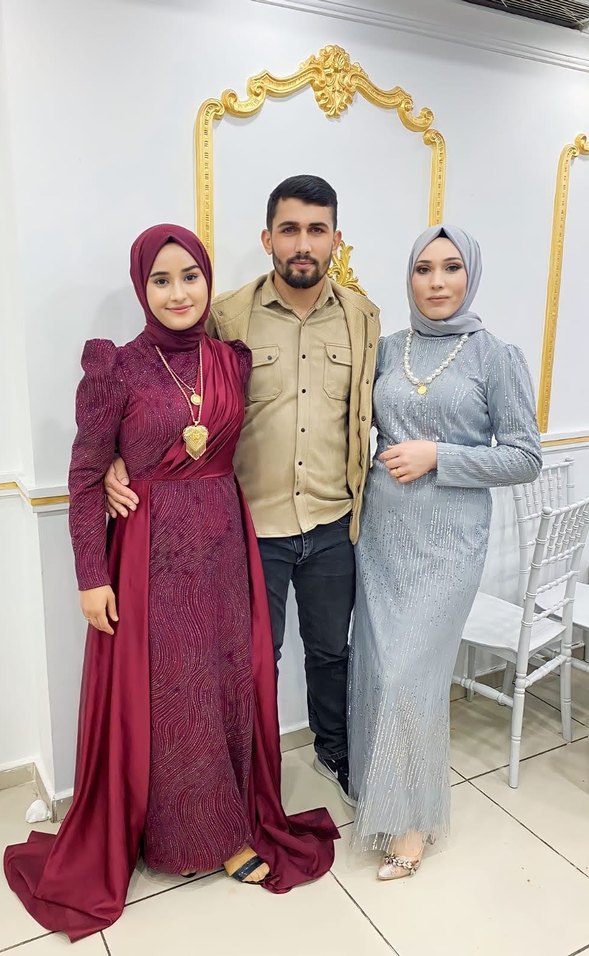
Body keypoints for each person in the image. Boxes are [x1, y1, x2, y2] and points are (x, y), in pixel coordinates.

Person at [3, 224, 338, 942]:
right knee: (168, 694)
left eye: (190, 276)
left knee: (224, 684)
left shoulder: (230, 360)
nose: (178, 292)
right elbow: (85, 476)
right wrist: (91, 576)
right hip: (148, 553)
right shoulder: (116, 369)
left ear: (207, 281)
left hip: (223, 545)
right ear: (141, 287)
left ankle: (229, 828)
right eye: (161, 279)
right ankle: (173, 834)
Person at [104, 177, 380, 803]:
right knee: (251, 662)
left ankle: (335, 751)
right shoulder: (228, 314)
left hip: (334, 524)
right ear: (266, 238)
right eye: (290, 230)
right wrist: (120, 457)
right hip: (250, 530)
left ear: (336, 239)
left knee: (331, 651)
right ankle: (252, 778)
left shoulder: (363, 318)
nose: (303, 243)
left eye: (317, 230)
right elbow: (175, 394)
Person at [347, 224, 542, 879]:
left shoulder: (495, 356)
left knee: (411, 675)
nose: (435, 282)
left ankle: (412, 822)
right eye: (423, 268)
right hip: (382, 537)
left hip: (449, 544)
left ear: (471, 274)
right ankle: (382, 793)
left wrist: (440, 456)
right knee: (380, 668)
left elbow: (524, 457)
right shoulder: (387, 348)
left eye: (451, 267)